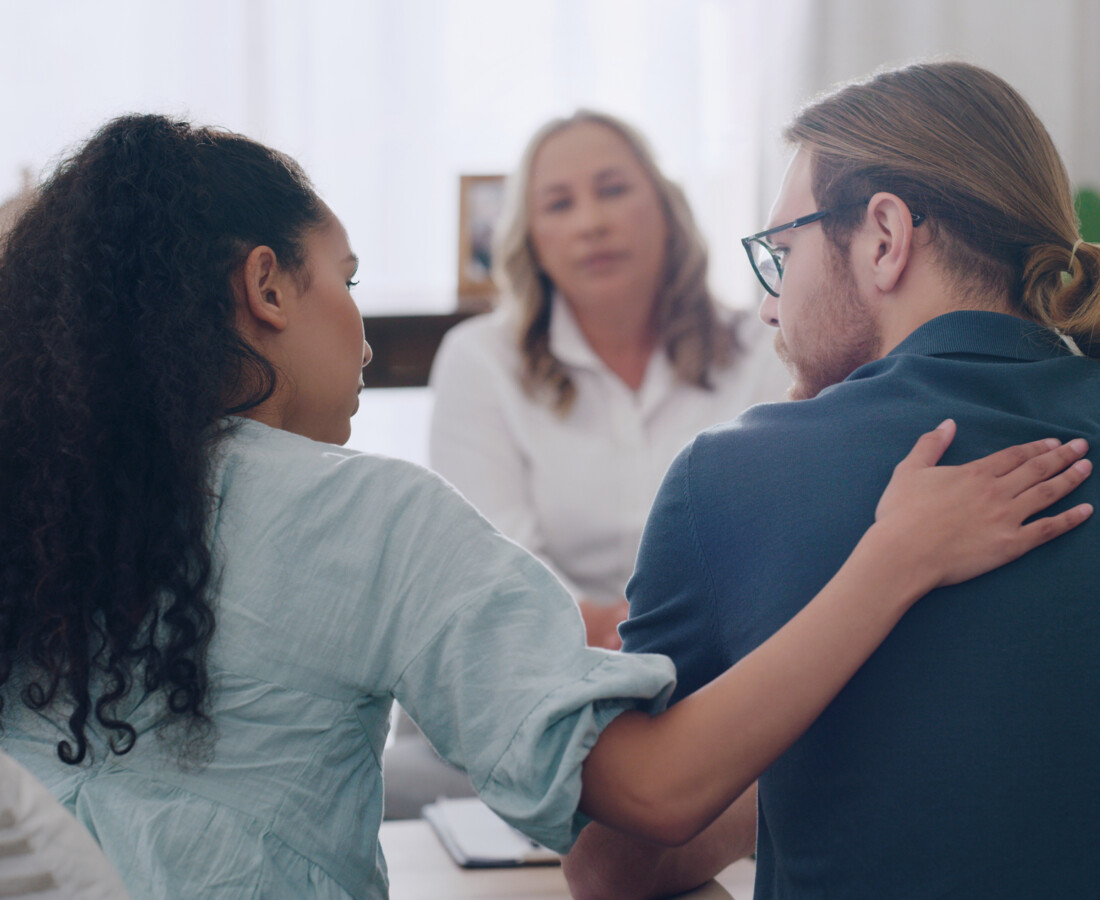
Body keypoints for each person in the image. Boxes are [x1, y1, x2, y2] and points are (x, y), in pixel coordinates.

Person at [0, 114, 1089, 900]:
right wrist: (891, 556)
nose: (367, 332)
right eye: (349, 274)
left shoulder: (39, 508)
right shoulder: (370, 518)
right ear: (266, 288)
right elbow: (650, 796)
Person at [564, 61, 1100, 900]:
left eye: (782, 252)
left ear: (884, 237)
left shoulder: (731, 476)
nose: (772, 308)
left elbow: (612, 866)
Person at [429, 110, 789, 650]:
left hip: (738, 651)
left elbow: (785, 532)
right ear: (531, 239)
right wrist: (601, 630)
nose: (591, 222)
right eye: (559, 204)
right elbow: (491, 555)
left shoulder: (763, 345)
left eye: (613, 189)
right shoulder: (479, 359)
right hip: (547, 656)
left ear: (668, 210)